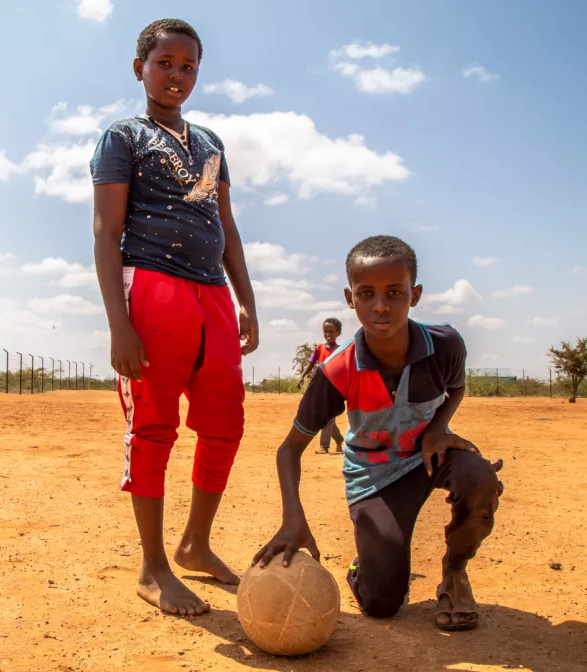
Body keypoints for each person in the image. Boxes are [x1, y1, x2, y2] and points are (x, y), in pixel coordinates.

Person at [91, 19, 258, 617]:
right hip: (152, 286)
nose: (176, 75)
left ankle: (195, 544)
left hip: (212, 293)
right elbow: (106, 231)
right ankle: (153, 567)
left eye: (188, 66)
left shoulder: (210, 144)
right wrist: (119, 323)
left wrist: (246, 298)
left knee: (225, 422)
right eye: (164, 63)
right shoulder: (124, 137)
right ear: (140, 67)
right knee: (154, 425)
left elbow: (225, 225)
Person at [253, 235, 503, 631]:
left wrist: (438, 428)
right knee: (382, 604)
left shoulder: (445, 345)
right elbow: (289, 450)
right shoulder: (338, 370)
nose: (381, 305)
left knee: (479, 477)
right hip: (375, 476)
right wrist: (292, 519)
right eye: (367, 293)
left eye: (395, 292)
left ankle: (455, 573)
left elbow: (456, 388)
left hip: (430, 456)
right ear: (350, 298)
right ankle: (367, 565)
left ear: (414, 295)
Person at [296, 317, 344, 454]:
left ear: (338, 333)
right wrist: (302, 376)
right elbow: (311, 363)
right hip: (321, 387)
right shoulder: (319, 348)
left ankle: (324, 446)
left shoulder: (340, 350)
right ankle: (339, 439)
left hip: (334, 389)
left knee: (328, 417)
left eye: (331, 331)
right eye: (325, 331)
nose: (328, 334)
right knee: (327, 417)